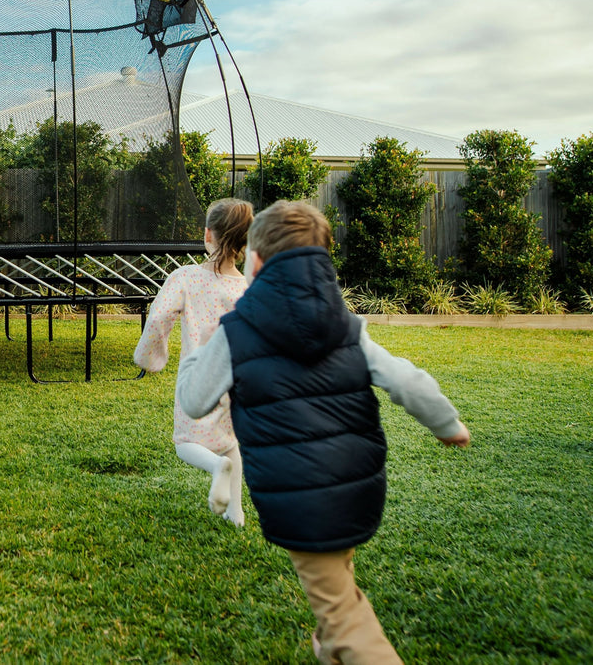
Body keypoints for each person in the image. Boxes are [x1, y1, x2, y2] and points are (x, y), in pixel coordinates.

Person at [176, 200, 470, 665]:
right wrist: (447, 425)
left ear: (256, 262)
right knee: (337, 584)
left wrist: (199, 348)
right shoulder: (347, 327)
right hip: (357, 487)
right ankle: (331, 649)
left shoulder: (237, 333)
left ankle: (346, 645)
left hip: (299, 498)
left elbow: (195, 401)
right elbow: (407, 379)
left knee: (339, 611)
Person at [133, 197, 253, 526]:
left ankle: (216, 468)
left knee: (185, 442)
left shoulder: (185, 277)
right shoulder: (247, 288)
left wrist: (150, 357)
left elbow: (158, 318)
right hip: (236, 382)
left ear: (207, 234)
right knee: (230, 443)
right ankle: (236, 513)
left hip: (197, 379)